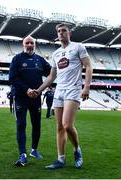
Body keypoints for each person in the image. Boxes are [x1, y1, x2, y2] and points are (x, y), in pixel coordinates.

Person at [30, 23, 93, 169]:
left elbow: (88, 66)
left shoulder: (78, 47)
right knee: (59, 127)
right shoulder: (56, 53)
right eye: (58, 31)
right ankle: (61, 159)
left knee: (67, 125)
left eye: (64, 30)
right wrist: (38, 90)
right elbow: (51, 77)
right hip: (59, 91)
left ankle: (77, 150)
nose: (61, 33)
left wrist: (87, 87)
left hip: (73, 89)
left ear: (69, 33)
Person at [9, 36, 51, 167]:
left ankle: (34, 150)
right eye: (27, 43)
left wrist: (40, 89)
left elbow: (51, 72)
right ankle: (22, 153)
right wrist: (26, 89)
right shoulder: (17, 59)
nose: (29, 45)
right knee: (21, 125)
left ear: (35, 45)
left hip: (36, 98)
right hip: (21, 97)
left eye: (31, 43)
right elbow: (12, 78)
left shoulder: (40, 60)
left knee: (36, 124)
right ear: (23, 45)